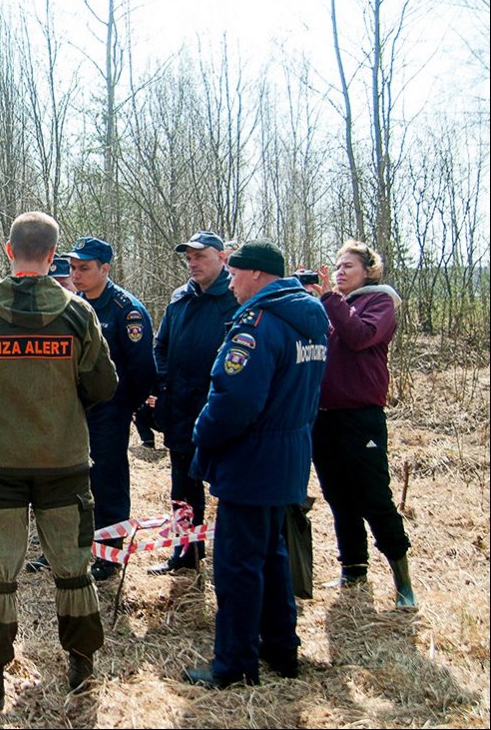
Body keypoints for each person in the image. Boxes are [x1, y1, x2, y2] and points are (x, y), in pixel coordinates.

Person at [0, 211, 117, 709]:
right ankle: (82, 666)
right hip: (63, 461)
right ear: (53, 253)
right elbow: (103, 386)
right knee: (73, 567)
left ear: (7, 249)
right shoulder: (79, 313)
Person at [184, 240, 328, 688]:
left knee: (237, 566)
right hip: (287, 457)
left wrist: (201, 435)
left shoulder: (258, 325)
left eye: (235, 272)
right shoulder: (308, 320)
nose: (230, 280)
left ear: (257, 275)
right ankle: (282, 648)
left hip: (252, 460)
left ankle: (234, 663)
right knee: (271, 555)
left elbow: (235, 400)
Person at [307, 240, 415, 606]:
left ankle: (403, 580)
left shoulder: (379, 301)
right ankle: (353, 568)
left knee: (372, 495)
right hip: (324, 417)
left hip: (361, 417)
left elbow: (360, 337)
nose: (339, 271)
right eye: (337, 265)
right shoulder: (332, 305)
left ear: (368, 270)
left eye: (348, 266)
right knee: (338, 495)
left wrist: (329, 299)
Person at [62, 237, 155, 580]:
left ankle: (109, 554)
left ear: (105, 269)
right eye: (73, 268)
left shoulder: (125, 310)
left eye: (84, 268)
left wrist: (122, 408)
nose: (76, 274)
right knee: (73, 480)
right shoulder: (73, 306)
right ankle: (74, 546)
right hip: (74, 412)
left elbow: (143, 368)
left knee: (108, 482)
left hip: (109, 412)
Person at [148, 231, 238, 575]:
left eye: (200, 256)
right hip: (182, 409)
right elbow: (161, 347)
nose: (193, 262)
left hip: (221, 411)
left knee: (230, 488)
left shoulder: (236, 298)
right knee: (183, 489)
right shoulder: (179, 298)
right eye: (189, 257)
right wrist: (164, 385)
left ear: (222, 258)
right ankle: (185, 555)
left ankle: (232, 561)